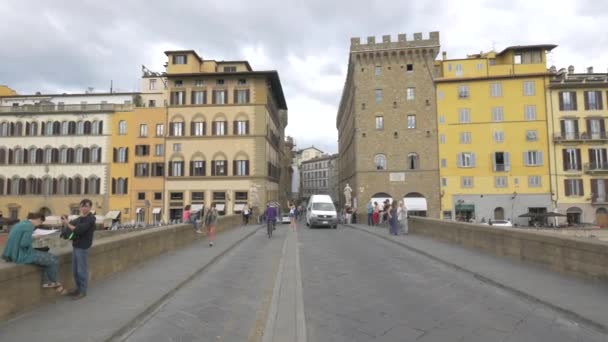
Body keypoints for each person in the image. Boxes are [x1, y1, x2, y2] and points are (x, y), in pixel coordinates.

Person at [2, 212, 66, 293]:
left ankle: (49, 282)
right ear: (38, 219)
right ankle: (53, 283)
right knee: (54, 259)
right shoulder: (29, 226)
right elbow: (24, 244)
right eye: (40, 222)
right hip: (21, 255)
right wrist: (35, 237)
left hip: (12, 254)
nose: (38, 225)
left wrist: (31, 237)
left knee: (48, 257)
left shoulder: (21, 224)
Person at [60, 199, 96, 300]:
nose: (84, 208)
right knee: (75, 271)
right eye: (83, 206)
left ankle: (83, 291)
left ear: (90, 208)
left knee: (81, 271)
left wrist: (67, 223)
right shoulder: (79, 219)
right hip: (76, 246)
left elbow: (79, 230)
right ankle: (77, 289)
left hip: (83, 247)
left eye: (87, 206)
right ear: (80, 207)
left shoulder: (91, 219)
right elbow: (68, 227)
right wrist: (65, 222)